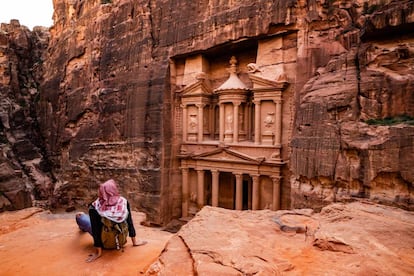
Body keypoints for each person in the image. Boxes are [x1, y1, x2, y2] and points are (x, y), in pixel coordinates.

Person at [78, 179, 147, 262]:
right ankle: (83, 223)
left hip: (105, 243)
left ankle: (81, 221)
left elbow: (95, 231)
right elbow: (129, 222)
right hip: (121, 241)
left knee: (80, 217)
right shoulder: (123, 202)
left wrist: (98, 253)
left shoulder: (94, 208)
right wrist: (134, 242)